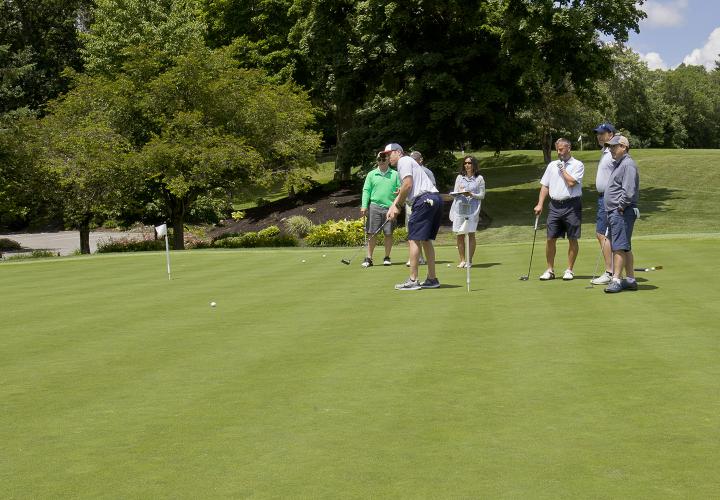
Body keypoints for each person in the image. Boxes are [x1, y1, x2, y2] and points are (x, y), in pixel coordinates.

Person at [384, 143, 443, 290]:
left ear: (398, 152)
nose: (387, 157)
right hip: (434, 199)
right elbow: (409, 186)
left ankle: (413, 280)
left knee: (413, 239)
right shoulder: (409, 162)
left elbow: (408, 185)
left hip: (423, 201)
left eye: (389, 153)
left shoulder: (403, 161)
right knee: (425, 240)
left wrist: (396, 205)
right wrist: (399, 199)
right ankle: (432, 278)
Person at [533, 137, 585, 281]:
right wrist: (540, 203)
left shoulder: (577, 165)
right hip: (555, 205)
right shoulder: (552, 165)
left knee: (573, 238)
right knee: (550, 238)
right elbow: (545, 185)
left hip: (572, 205)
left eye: (561, 149)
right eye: (557, 149)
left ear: (569, 148)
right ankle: (550, 270)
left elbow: (571, 182)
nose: (559, 152)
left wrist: (562, 169)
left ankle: (569, 270)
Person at [603, 135, 640, 293]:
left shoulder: (628, 164)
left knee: (618, 247)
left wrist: (620, 207)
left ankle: (616, 280)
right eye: (610, 147)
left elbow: (628, 191)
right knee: (624, 247)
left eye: (614, 146)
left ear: (623, 147)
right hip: (617, 211)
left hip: (621, 212)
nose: (611, 149)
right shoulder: (620, 164)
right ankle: (630, 280)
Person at [360, 152, 401, 267]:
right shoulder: (371, 174)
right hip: (375, 206)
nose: (381, 162)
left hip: (390, 207)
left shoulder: (395, 174)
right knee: (372, 233)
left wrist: (399, 191)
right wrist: (364, 205)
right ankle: (369, 258)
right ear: (377, 161)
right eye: (379, 159)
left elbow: (401, 188)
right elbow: (366, 190)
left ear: (388, 160)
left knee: (388, 233)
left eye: (384, 159)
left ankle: (387, 257)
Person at [590, 123, 617, 285]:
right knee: (607, 234)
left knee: (602, 234)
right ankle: (614, 270)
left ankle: (610, 272)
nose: (599, 136)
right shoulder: (605, 152)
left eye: (602, 133)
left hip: (608, 198)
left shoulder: (613, 152)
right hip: (603, 197)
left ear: (611, 134)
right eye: (598, 134)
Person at [450, 155, 485, 268]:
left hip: (472, 210)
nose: (467, 165)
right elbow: (455, 193)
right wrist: (459, 193)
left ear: (474, 164)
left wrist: (471, 194)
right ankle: (462, 260)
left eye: (469, 163)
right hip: (459, 209)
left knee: (470, 234)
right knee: (459, 235)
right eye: (465, 163)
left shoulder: (479, 178)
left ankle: (469, 260)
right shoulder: (459, 177)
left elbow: (482, 195)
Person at [405, 151, 435, 266]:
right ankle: (417, 257)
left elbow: (432, 188)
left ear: (420, 160)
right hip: (409, 204)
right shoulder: (408, 171)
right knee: (411, 231)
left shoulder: (427, 172)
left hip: (423, 205)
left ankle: (420, 258)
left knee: (422, 233)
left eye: (415, 159)